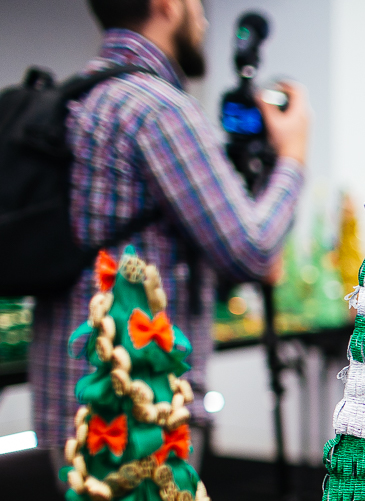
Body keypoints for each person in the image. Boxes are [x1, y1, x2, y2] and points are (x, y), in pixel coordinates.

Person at [29, 0, 308, 472]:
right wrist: (294, 154)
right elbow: (252, 251)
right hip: (140, 410)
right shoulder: (158, 108)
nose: (203, 18)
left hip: (71, 395)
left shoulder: (78, 98)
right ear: (166, 4)